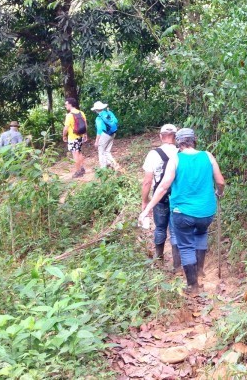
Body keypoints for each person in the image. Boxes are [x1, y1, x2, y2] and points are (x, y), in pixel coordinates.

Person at [139, 128, 225, 295]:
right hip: (206, 211)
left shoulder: (175, 159)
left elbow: (164, 186)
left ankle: (192, 286)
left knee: (185, 246)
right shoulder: (208, 156)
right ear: (195, 140)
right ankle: (199, 271)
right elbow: (220, 182)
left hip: (182, 212)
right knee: (201, 235)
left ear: (178, 142)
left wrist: (147, 209)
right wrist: (219, 193)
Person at [141, 124, 181, 271]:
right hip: (178, 197)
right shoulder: (181, 152)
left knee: (160, 228)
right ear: (175, 137)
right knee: (175, 231)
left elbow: (147, 182)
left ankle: (159, 259)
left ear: (160, 136)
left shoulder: (153, 154)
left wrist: (145, 201)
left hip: (160, 197)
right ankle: (178, 265)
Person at [91, 101, 121, 171]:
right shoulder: (109, 112)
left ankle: (103, 169)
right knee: (107, 151)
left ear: (96, 110)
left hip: (105, 135)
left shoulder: (99, 118)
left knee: (101, 151)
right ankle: (113, 165)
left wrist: (96, 141)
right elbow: (116, 121)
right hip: (113, 133)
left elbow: (99, 130)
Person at [62, 97, 87, 178]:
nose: (65, 106)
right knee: (79, 152)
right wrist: (85, 134)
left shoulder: (69, 115)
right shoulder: (81, 113)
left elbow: (66, 128)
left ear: (70, 104)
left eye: (66, 104)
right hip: (80, 136)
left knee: (75, 154)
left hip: (73, 137)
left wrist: (64, 136)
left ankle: (78, 171)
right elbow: (85, 125)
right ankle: (82, 168)